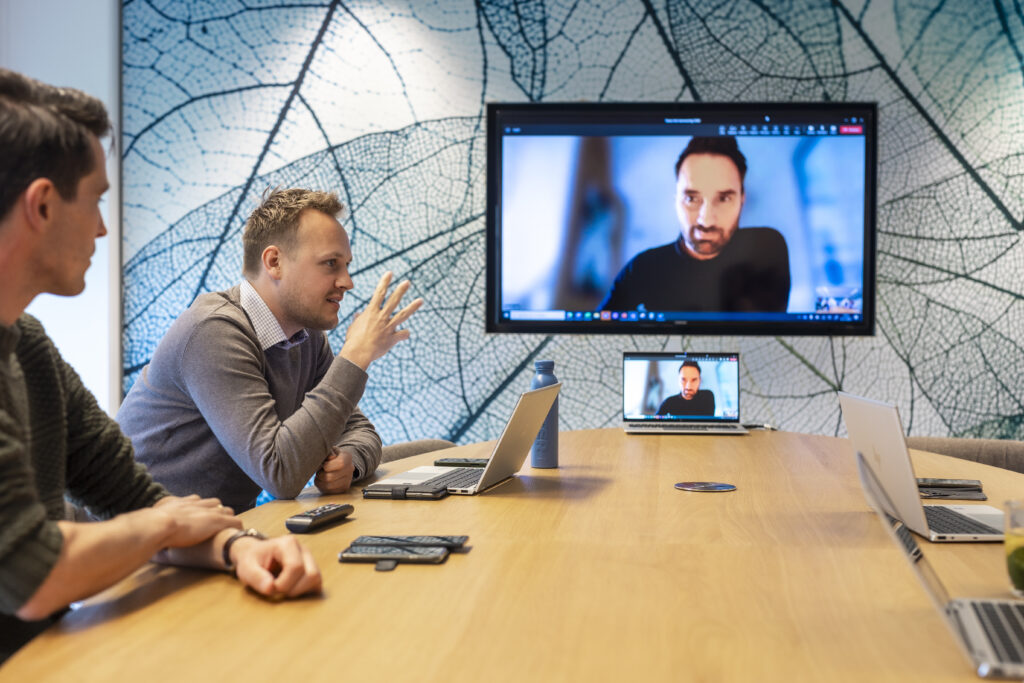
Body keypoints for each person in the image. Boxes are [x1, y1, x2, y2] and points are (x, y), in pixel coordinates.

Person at [0, 68, 321, 663]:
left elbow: (134, 495)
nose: (102, 226)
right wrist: (167, 526)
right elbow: (30, 574)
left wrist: (236, 548)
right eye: (96, 199)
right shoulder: (213, 327)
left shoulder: (29, 347)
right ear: (42, 204)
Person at [117, 188, 423, 513]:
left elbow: (358, 429)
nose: (347, 281)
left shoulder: (307, 338)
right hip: (135, 548)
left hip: (216, 535)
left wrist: (350, 460)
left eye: (345, 265)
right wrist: (355, 357)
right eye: (331, 264)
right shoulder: (213, 331)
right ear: (274, 262)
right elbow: (280, 473)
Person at [599, 136, 790, 312]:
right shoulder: (641, 269)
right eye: (691, 198)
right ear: (676, 202)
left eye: (723, 199)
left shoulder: (766, 247)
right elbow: (596, 334)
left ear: (742, 200)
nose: (705, 221)